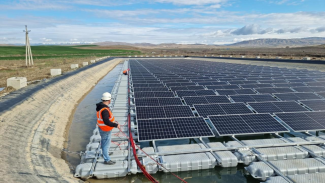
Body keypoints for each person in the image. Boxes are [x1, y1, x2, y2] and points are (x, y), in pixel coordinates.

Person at [96, 92, 120, 165]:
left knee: (104, 143)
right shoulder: (105, 110)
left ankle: (105, 153)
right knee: (106, 144)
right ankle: (107, 159)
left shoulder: (100, 107)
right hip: (105, 129)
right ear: (109, 100)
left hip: (102, 128)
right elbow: (106, 121)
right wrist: (116, 125)